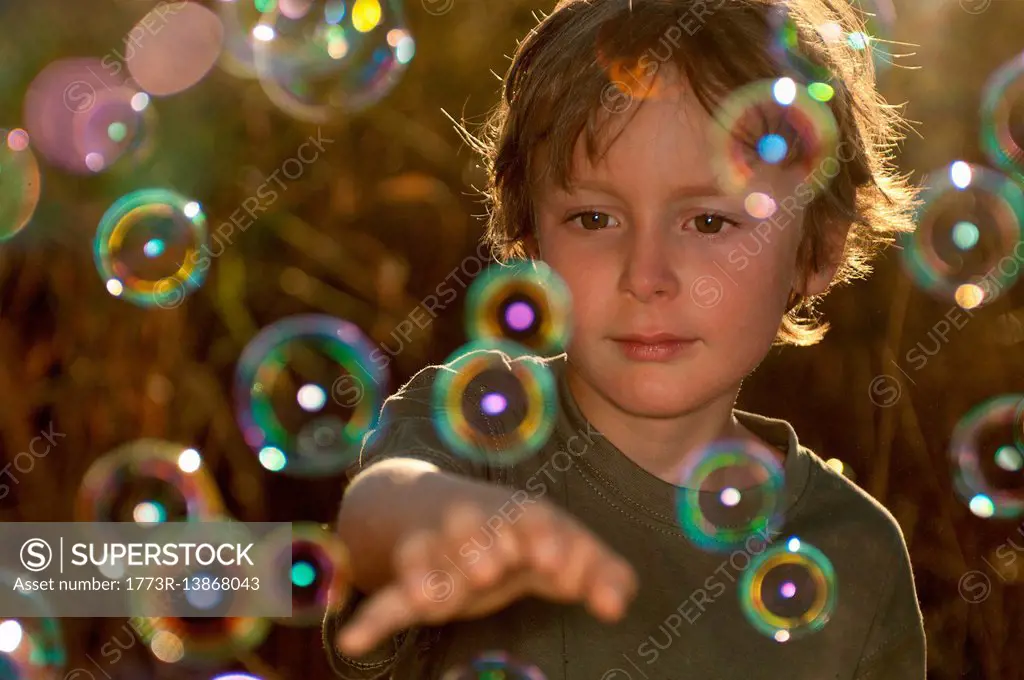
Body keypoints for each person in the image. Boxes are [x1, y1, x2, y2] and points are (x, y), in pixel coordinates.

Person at [322, 0, 927, 677]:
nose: (646, 276)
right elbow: (380, 510)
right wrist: (426, 518)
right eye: (592, 217)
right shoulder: (481, 428)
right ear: (532, 244)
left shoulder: (857, 554)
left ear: (816, 251)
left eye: (707, 223)